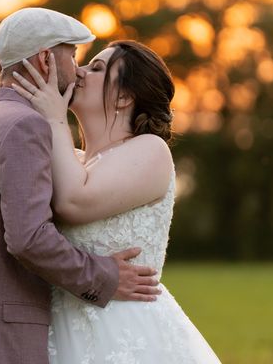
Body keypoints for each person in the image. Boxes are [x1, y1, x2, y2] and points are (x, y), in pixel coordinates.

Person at [0, 9, 161, 364]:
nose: (78, 70)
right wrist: (103, 276)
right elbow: (28, 238)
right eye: (73, 55)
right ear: (45, 59)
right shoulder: (26, 127)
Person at [12, 39, 221, 363]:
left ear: (124, 96)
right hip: (55, 333)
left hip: (125, 335)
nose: (78, 73)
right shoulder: (73, 161)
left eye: (96, 68)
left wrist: (54, 118)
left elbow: (74, 202)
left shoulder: (150, 150)